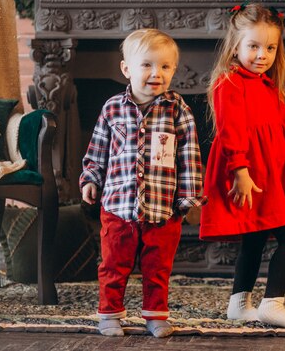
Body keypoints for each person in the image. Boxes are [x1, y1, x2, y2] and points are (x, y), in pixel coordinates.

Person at [80, 28, 206, 338]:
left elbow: (189, 155)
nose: (156, 73)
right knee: (112, 265)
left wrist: (189, 199)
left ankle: (155, 315)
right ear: (127, 69)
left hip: (163, 209)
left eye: (165, 67)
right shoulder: (112, 108)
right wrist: (90, 179)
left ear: (174, 70)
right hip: (117, 206)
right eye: (147, 65)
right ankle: (110, 313)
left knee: (158, 268)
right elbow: (97, 150)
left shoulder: (178, 111)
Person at [199, 3, 285, 328]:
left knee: (256, 238)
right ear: (235, 46)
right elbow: (231, 132)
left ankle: (238, 303)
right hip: (249, 173)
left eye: (270, 47)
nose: (262, 54)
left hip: (270, 175)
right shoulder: (229, 83)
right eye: (253, 46)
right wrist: (241, 172)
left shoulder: (269, 85)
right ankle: (272, 304)